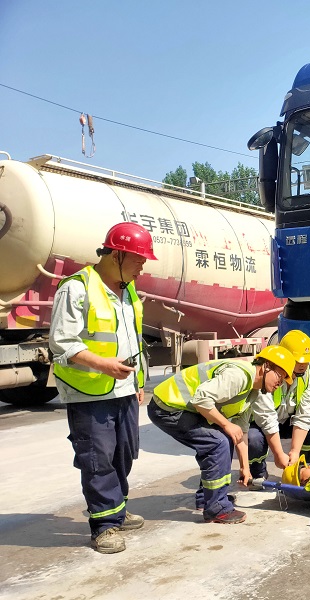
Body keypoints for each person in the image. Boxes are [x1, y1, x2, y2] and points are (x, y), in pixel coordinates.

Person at [49, 221, 157, 554]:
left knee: (123, 453)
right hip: (88, 391)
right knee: (97, 459)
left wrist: (138, 382)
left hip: (123, 389)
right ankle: (104, 526)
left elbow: (131, 341)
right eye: (138, 259)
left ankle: (116, 510)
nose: (143, 266)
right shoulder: (77, 288)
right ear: (116, 254)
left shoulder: (129, 290)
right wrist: (103, 364)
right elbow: (61, 343)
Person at [147, 346, 296, 525]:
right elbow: (202, 399)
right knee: (217, 442)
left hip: (180, 408)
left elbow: (241, 431)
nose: (279, 384)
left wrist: (244, 468)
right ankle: (216, 507)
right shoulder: (239, 376)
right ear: (266, 366)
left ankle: (209, 499)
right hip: (167, 406)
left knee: (224, 438)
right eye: (280, 376)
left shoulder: (253, 392)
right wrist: (226, 424)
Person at [247, 330, 310, 486]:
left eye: (306, 360)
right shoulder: (268, 374)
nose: (303, 365)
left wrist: (295, 452)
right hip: (260, 424)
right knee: (253, 437)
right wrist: (278, 454)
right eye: (298, 360)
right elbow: (267, 418)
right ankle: (257, 473)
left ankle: (307, 470)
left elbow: (305, 415)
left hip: (286, 421)